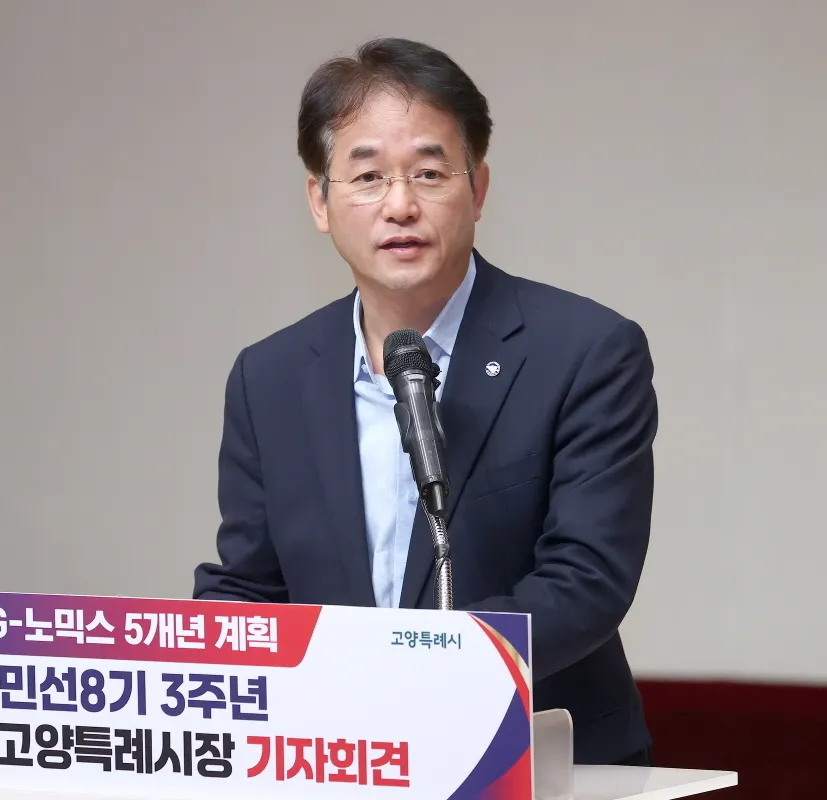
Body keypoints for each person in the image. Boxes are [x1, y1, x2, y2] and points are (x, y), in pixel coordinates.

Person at [192, 37, 657, 767]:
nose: (401, 205)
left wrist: (411, 670)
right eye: (367, 176)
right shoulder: (270, 376)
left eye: (430, 173)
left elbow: (586, 580)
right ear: (320, 201)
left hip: (538, 762)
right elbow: (250, 585)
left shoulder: (584, 350)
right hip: (342, 762)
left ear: (478, 189)